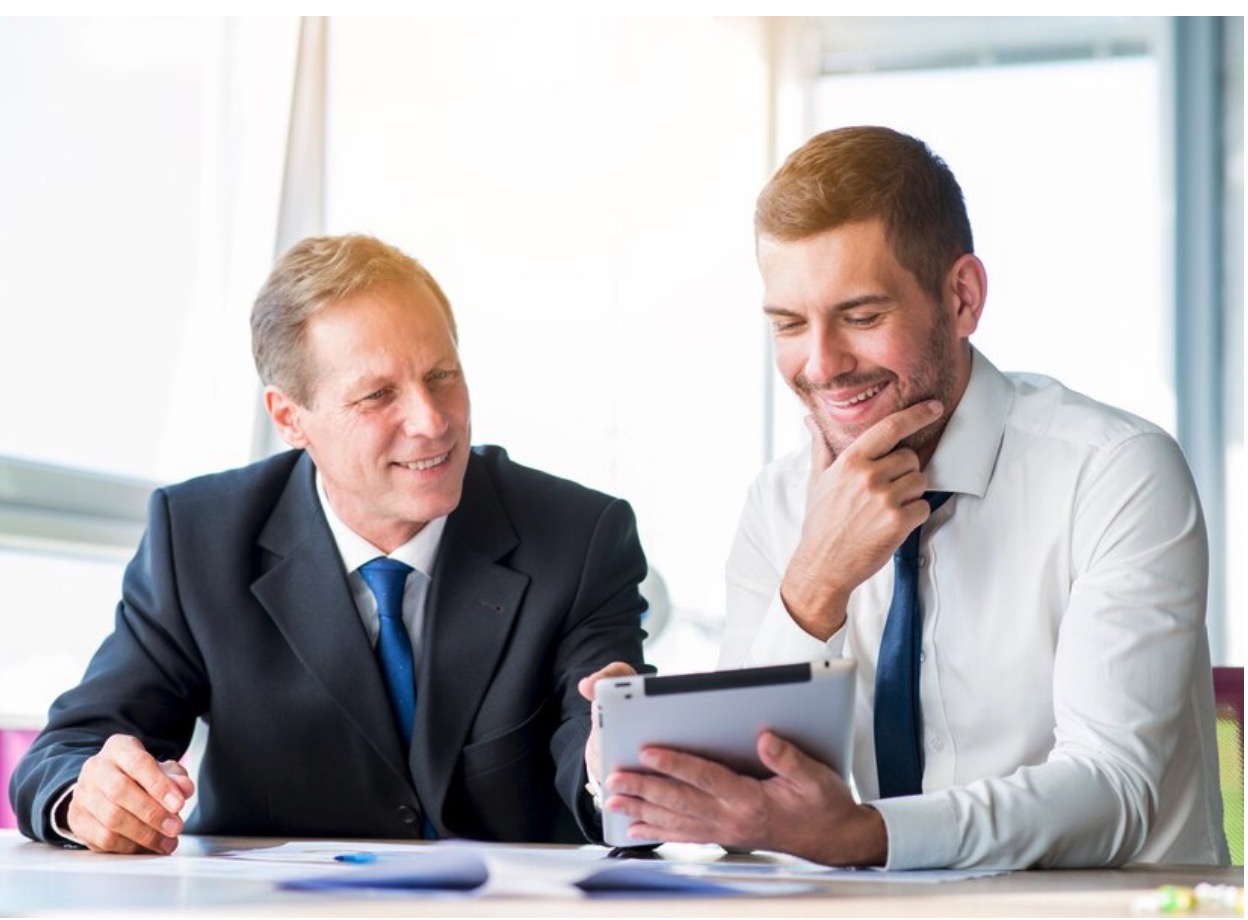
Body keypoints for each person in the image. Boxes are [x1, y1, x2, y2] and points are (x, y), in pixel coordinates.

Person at [596, 127, 1228, 869]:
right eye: (790, 324)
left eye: (862, 317)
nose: (822, 365)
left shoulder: (1115, 472)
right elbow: (742, 814)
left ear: (962, 298)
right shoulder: (779, 502)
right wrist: (815, 584)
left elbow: (1114, 790)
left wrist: (864, 836)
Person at [10, 234, 647, 854]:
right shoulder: (198, 537)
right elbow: (68, 751)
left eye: (442, 374)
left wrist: (614, 765)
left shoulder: (581, 536)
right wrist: (91, 795)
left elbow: (594, 740)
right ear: (289, 417)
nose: (431, 421)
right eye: (378, 395)